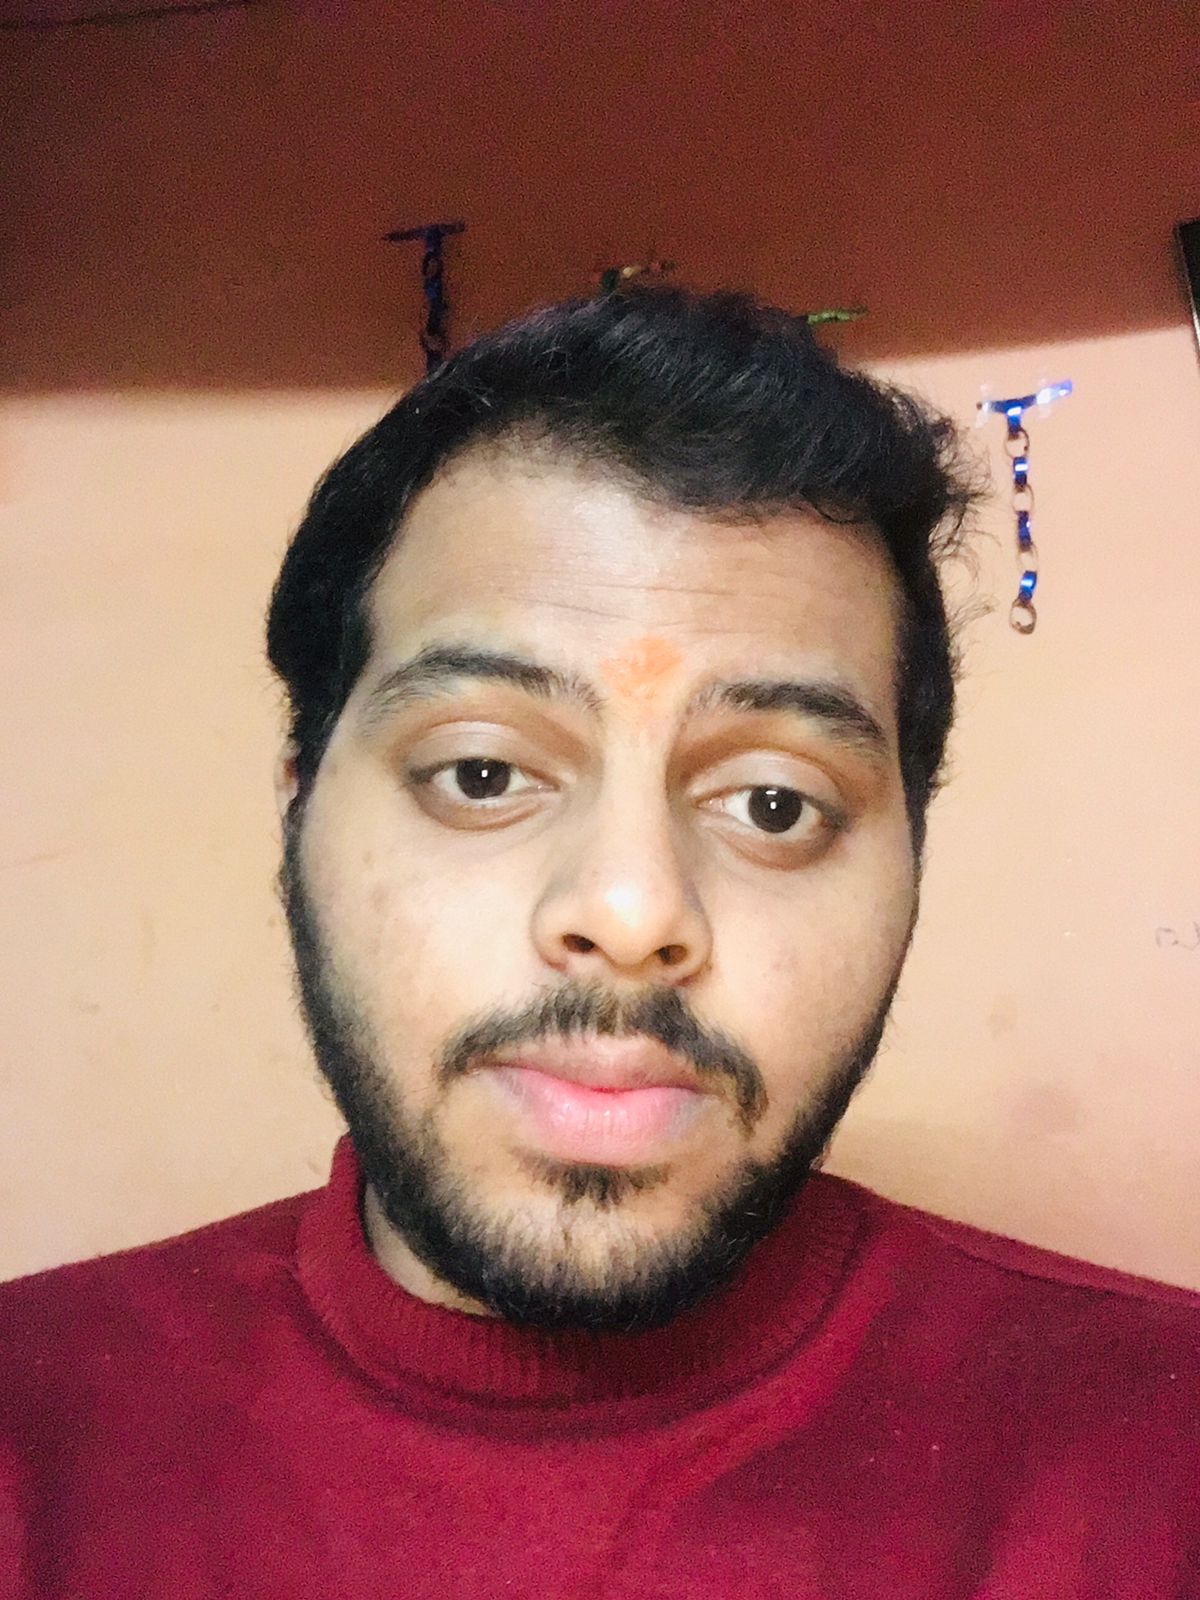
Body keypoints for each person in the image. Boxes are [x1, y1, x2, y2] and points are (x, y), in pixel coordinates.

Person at [3, 289, 1197, 1598]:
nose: (633, 913)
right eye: (480, 773)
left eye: (775, 803)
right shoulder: (33, 1435)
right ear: (298, 811)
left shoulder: (1161, 1460)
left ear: (914, 856)